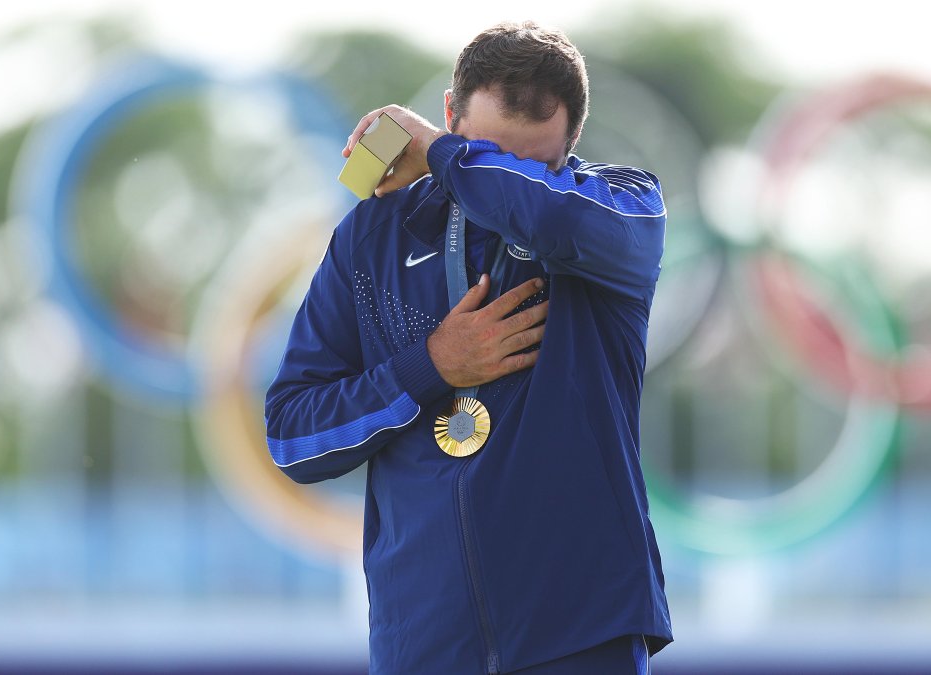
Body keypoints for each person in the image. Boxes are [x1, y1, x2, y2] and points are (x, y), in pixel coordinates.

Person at [265, 20, 672, 674]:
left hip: (581, 635)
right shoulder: (371, 236)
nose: (503, 177)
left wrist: (445, 156)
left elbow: (551, 214)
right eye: (485, 149)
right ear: (450, 114)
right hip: (422, 644)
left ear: (572, 143)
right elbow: (291, 437)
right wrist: (429, 367)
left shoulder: (620, 213)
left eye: (531, 163)